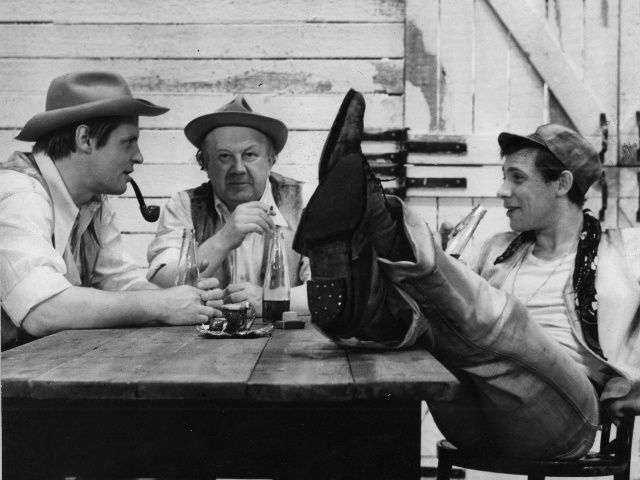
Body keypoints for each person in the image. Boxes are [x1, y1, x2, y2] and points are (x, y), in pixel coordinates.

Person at [294, 89, 639, 459]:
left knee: (504, 316)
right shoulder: (497, 250)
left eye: (517, 178)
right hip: (475, 418)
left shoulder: (625, 251)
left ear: (562, 184)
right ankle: (351, 282)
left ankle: (380, 224)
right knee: (427, 309)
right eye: (504, 177)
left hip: (565, 422)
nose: (502, 190)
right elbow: (444, 307)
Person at [0, 71, 222, 350]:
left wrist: (185, 300)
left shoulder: (92, 203)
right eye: (128, 142)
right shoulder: (20, 194)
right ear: (85, 139)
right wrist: (160, 303)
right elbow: (41, 310)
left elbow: (120, 281)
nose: (139, 156)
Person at [147, 96, 310, 316]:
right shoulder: (184, 205)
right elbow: (161, 283)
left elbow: (327, 289)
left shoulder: (303, 201)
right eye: (225, 156)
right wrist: (223, 239)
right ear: (204, 163)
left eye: (250, 155)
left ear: (271, 159)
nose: (238, 169)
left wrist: (267, 300)